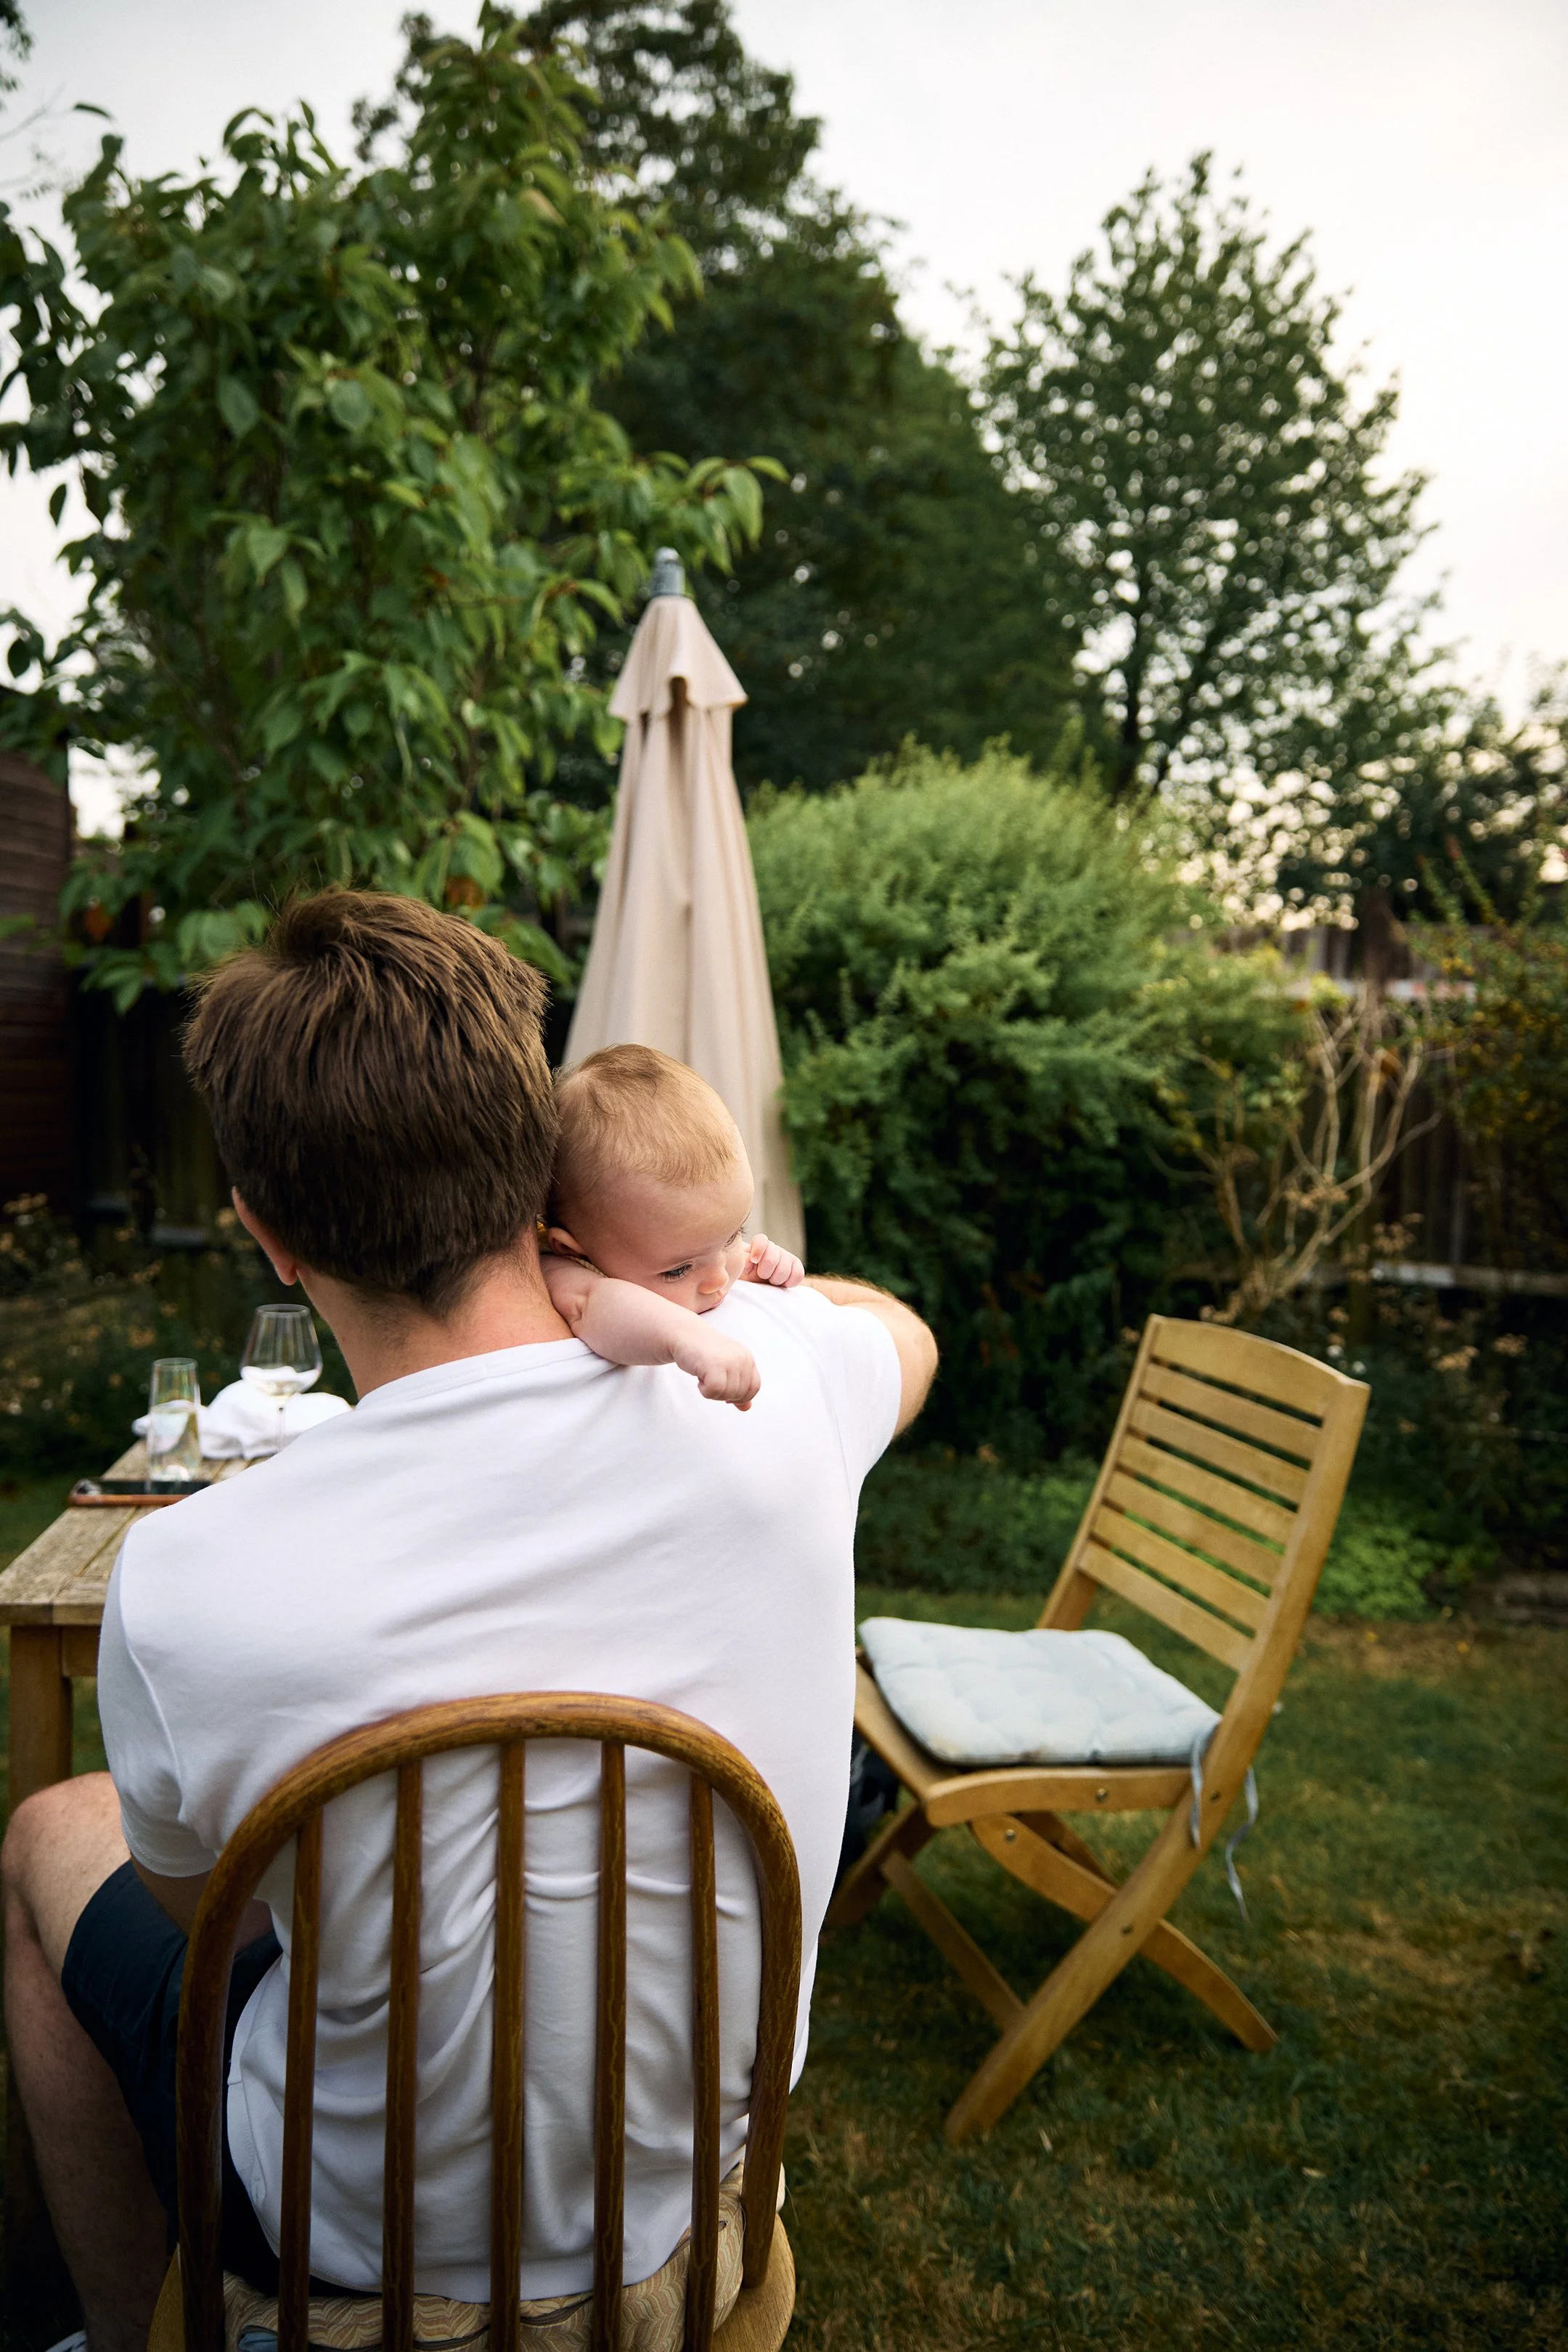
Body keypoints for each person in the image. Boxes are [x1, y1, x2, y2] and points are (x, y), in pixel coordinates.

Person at [1, 889, 937, 2352]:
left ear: (269, 1234)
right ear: (536, 1164)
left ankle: (132, 2333)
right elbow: (906, 1341)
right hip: (702, 2189)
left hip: (362, 2238)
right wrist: (759, 1286)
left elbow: (218, 1916)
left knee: (47, 1837)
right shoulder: (774, 1382)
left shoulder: (187, 1583)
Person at [542, 1043, 805, 1413]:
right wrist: (687, 1339)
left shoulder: (682, 1247)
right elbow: (596, 1307)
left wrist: (762, 1265)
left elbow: (724, 1265)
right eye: (678, 1269)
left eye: (733, 1234)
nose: (718, 1278)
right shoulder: (563, 1273)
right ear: (574, 1249)